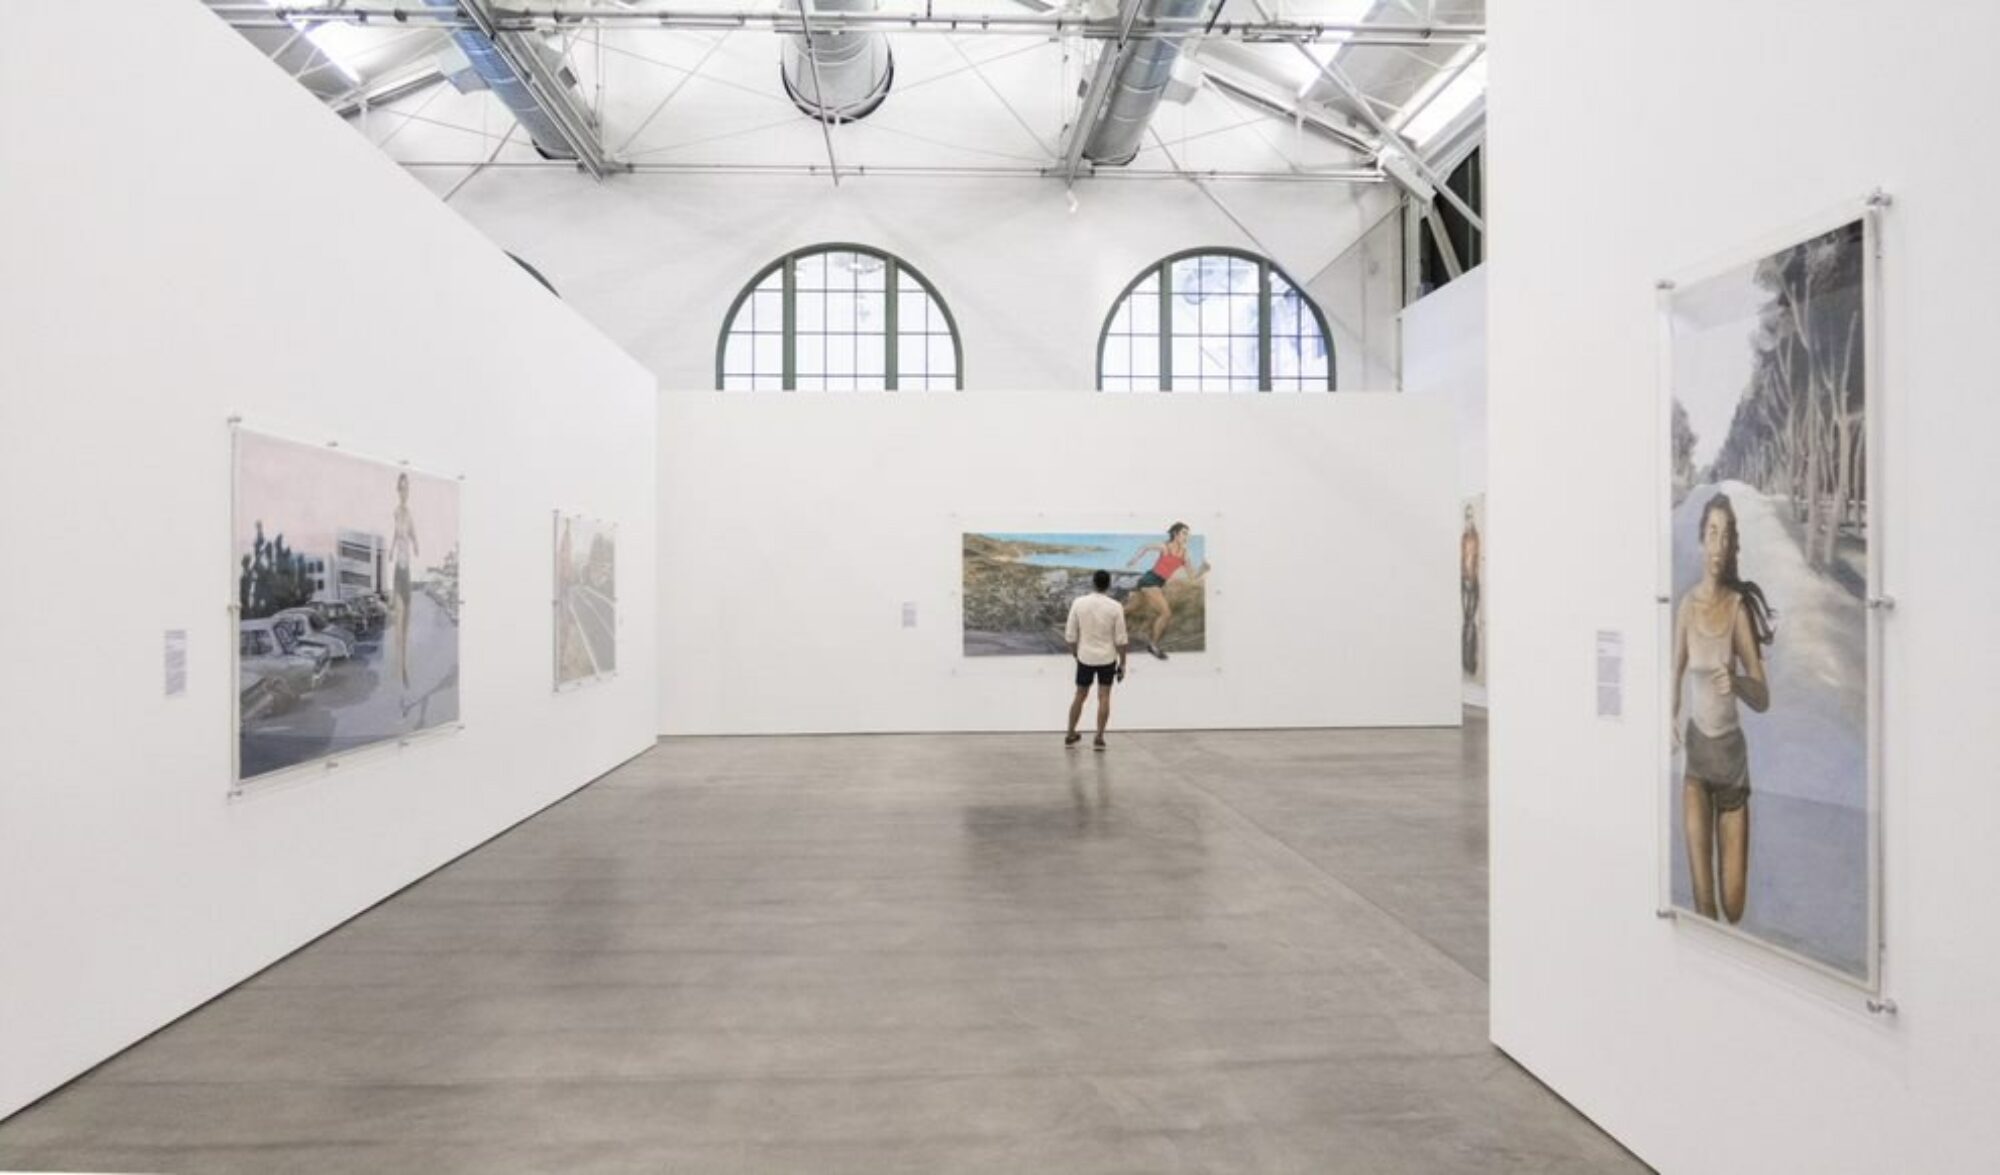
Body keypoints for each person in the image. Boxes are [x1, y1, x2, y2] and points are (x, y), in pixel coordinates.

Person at [1670, 492, 1774, 925]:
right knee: (1703, 901)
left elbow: (1763, 697)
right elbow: (1674, 672)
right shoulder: (1686, 608)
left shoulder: (1737, 611)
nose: (1719, 545)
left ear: (1733, 547)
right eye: (1712, 534)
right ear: (1701, 541)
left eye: (1727, 536)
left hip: (1732, 765)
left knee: (1733, 905)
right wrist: (1669, 718)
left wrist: (1738, 682)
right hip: (1697, 763)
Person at [1123, 522, 1210, 660]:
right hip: (1150, 580)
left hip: (1156, 583)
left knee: (1130, 608)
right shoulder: (1165, 547)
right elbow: (1145, 547)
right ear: (1175, 534)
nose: (1187, 537)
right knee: (1166, 613)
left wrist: (1202, 569)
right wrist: (1134, 559)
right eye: (1184, 533)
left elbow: (1192, 576)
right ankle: (1153, 645)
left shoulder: (1184, 554)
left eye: (1187, 534)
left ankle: (1104, 620)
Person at [1064, 569, 1128, 751]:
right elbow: (1121, 640)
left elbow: (1070, 636)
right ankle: (1099, 737)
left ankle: (1070, 733)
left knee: (1080, 695)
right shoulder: (1115, 606)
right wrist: (1123, 663)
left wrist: (1075, 654)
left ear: (1093, 583)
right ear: (1108, 585)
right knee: (1104, 696)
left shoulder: (1079, 603)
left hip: (1085, 657)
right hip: (1107, 658)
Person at [389, 472, 420, 693]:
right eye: (402, 488)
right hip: (398, 573)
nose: (404, 492)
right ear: (397, 490)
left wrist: (416, 544)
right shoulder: (396, 512)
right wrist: (391, 550)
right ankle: (399, 672)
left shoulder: (408, 514)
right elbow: (396, 533)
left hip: (407, 571)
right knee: (398, 627)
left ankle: (404, 667)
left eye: (407, 488)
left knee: (406, 627)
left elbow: (412, 534)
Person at [1461, 504, 1482, 676]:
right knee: (1466, 622)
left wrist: (1471, 579)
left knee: (1471, 622)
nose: (1469, 520)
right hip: (1464, 582)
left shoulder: (1475, 537)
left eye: (1470, 516)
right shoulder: (1463, 537)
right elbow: (1463, 561)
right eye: (1466, 517)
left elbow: (1474, 562)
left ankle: (1471, 662)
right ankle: (1465, 662)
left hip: (1473, 582)